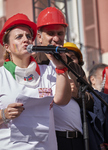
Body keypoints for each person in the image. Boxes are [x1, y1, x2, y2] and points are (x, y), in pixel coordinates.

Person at [36, 7, 108, 150]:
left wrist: (77, 94)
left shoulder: (73, 66)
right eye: (50, 34)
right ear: (39, 37)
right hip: (51, 140)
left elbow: (92, 101)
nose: (56, 38)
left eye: (60, 33)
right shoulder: (34, 63)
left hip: (78, 139)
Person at [0, 13, 71, 150]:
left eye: (28, 36)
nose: (26, 40)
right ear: (7, 46)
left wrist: (61, 68)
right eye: (19, 37)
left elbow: (62, 100)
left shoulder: (48, 70)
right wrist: (3, 114)